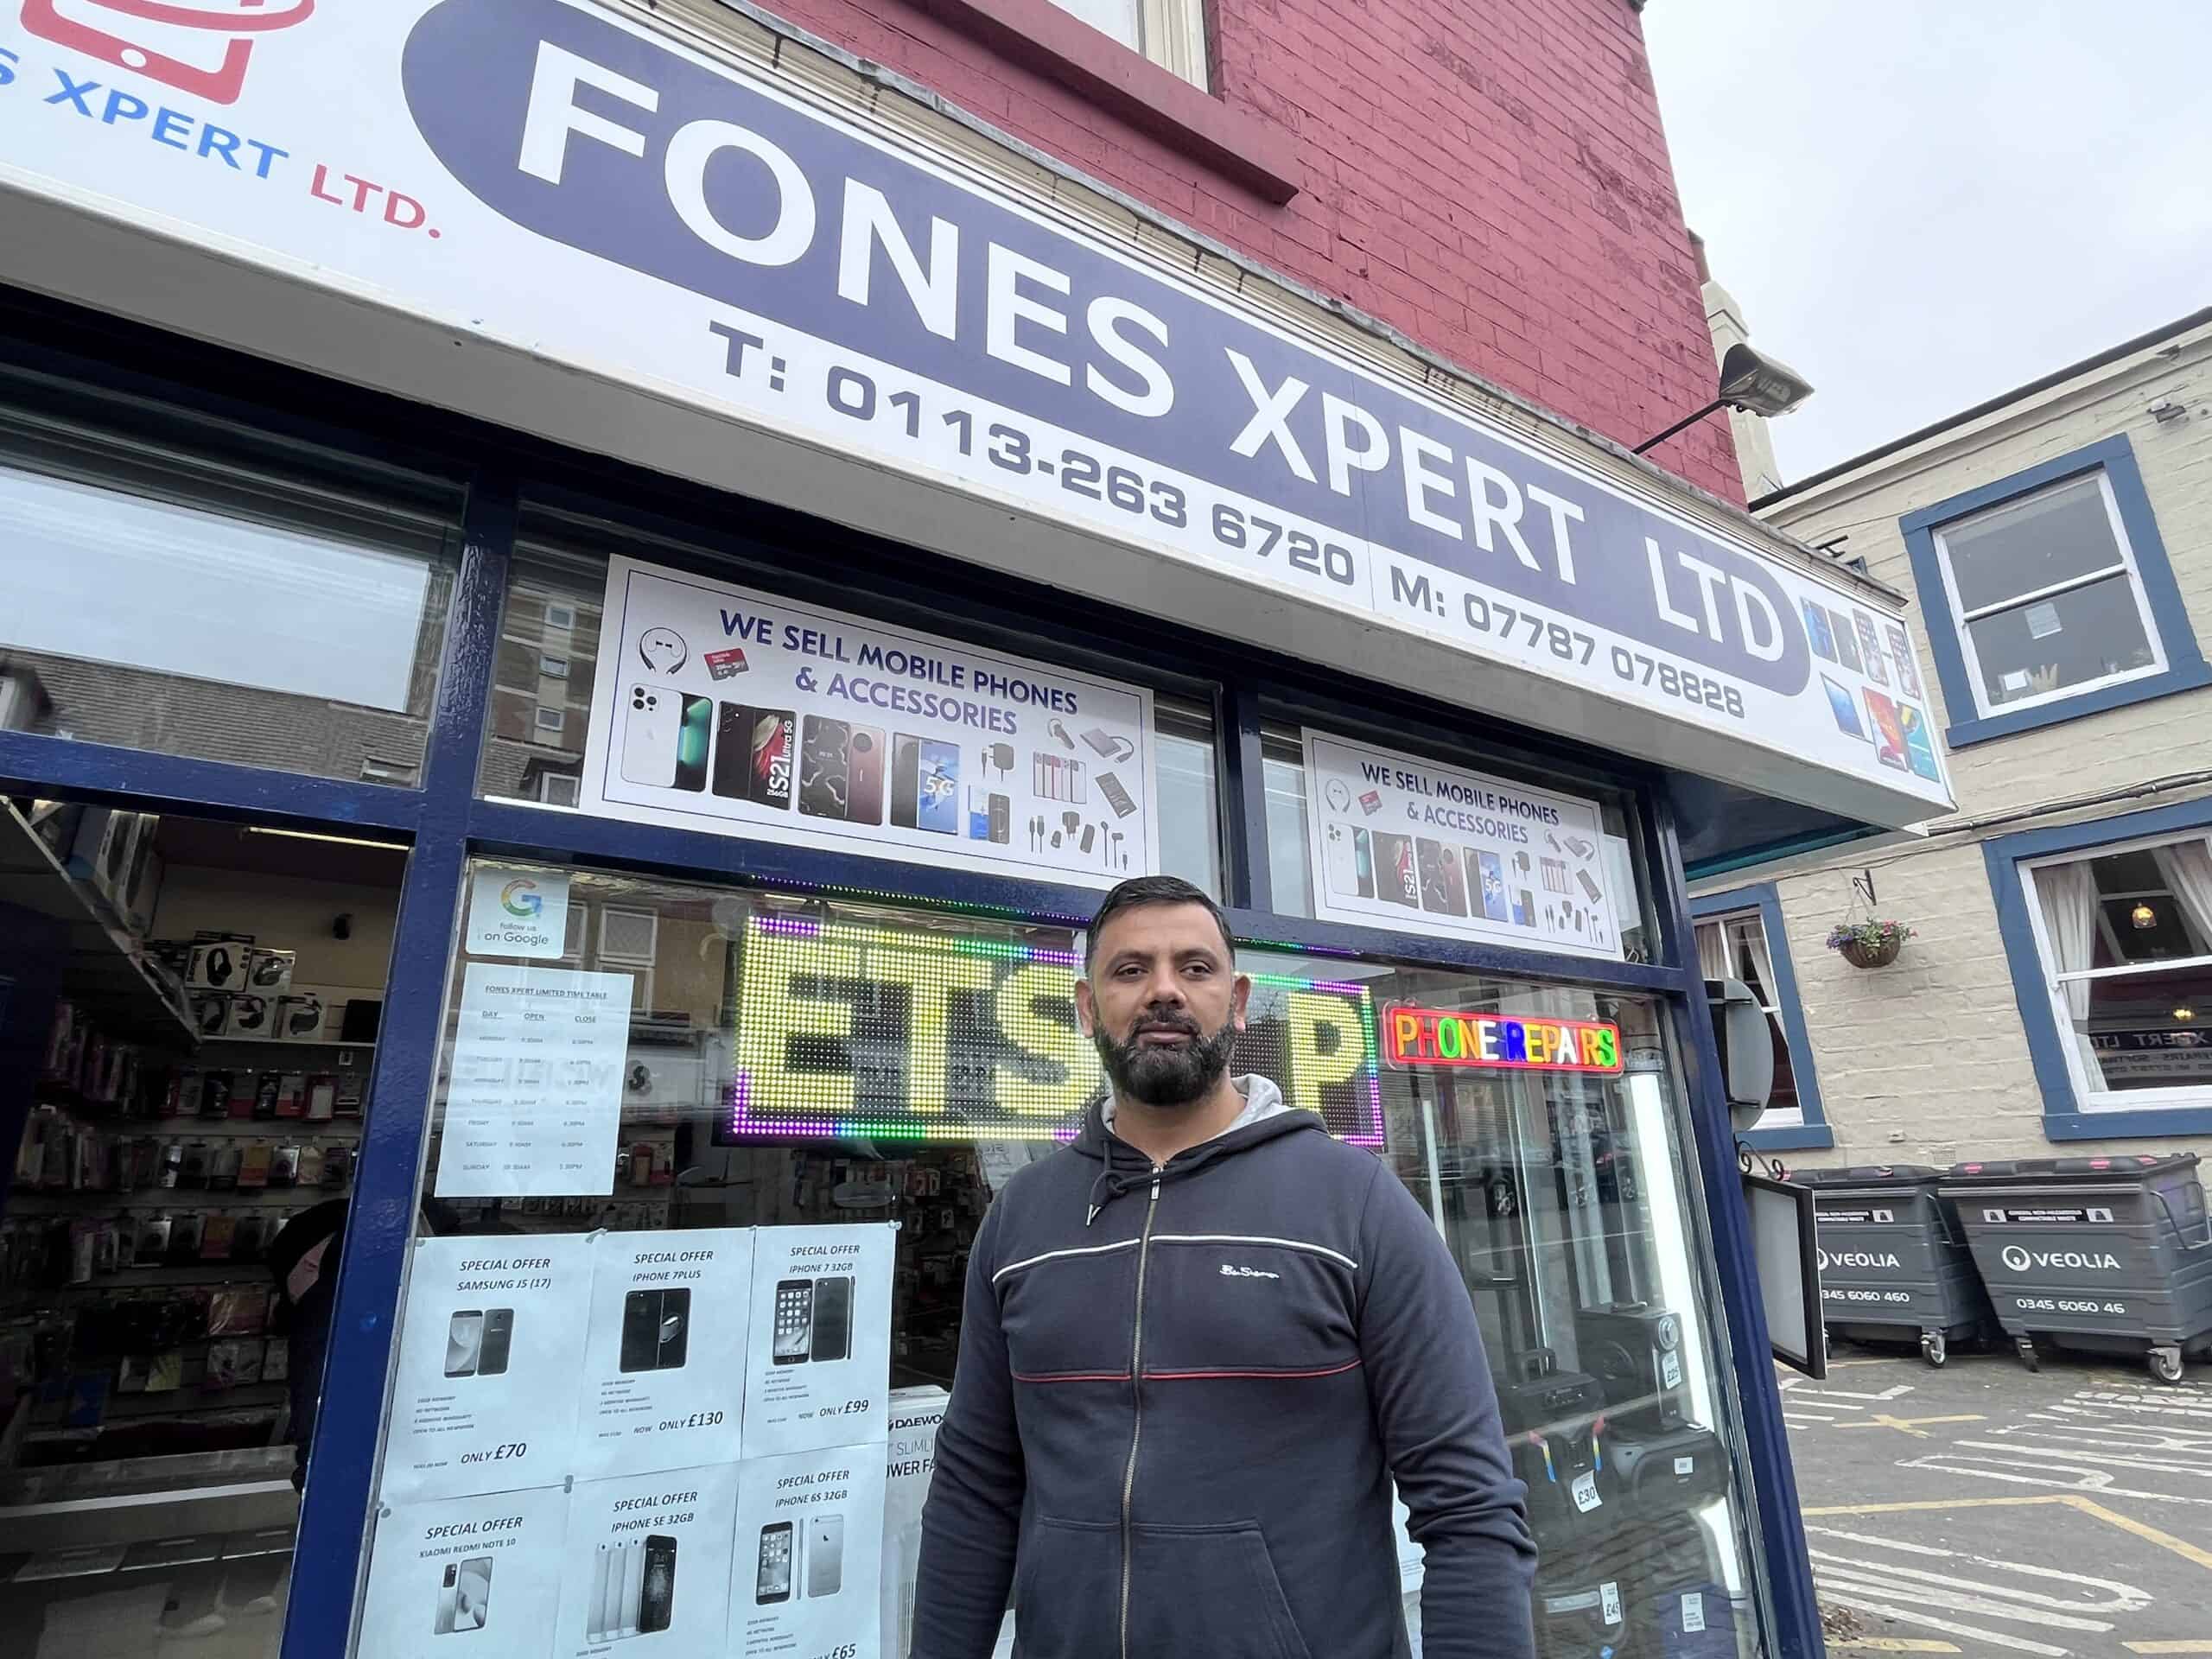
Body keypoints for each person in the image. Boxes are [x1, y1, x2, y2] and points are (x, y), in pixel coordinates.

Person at [912, 875, 1536, 1659]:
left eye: (1195, 968)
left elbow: (1469, 1509)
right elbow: (975, 1488)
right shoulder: (1023, 1220)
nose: (1163, 991)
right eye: (1130, 970)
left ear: (1238, 1001)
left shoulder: (1355, 1205)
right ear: (1084, 1007)